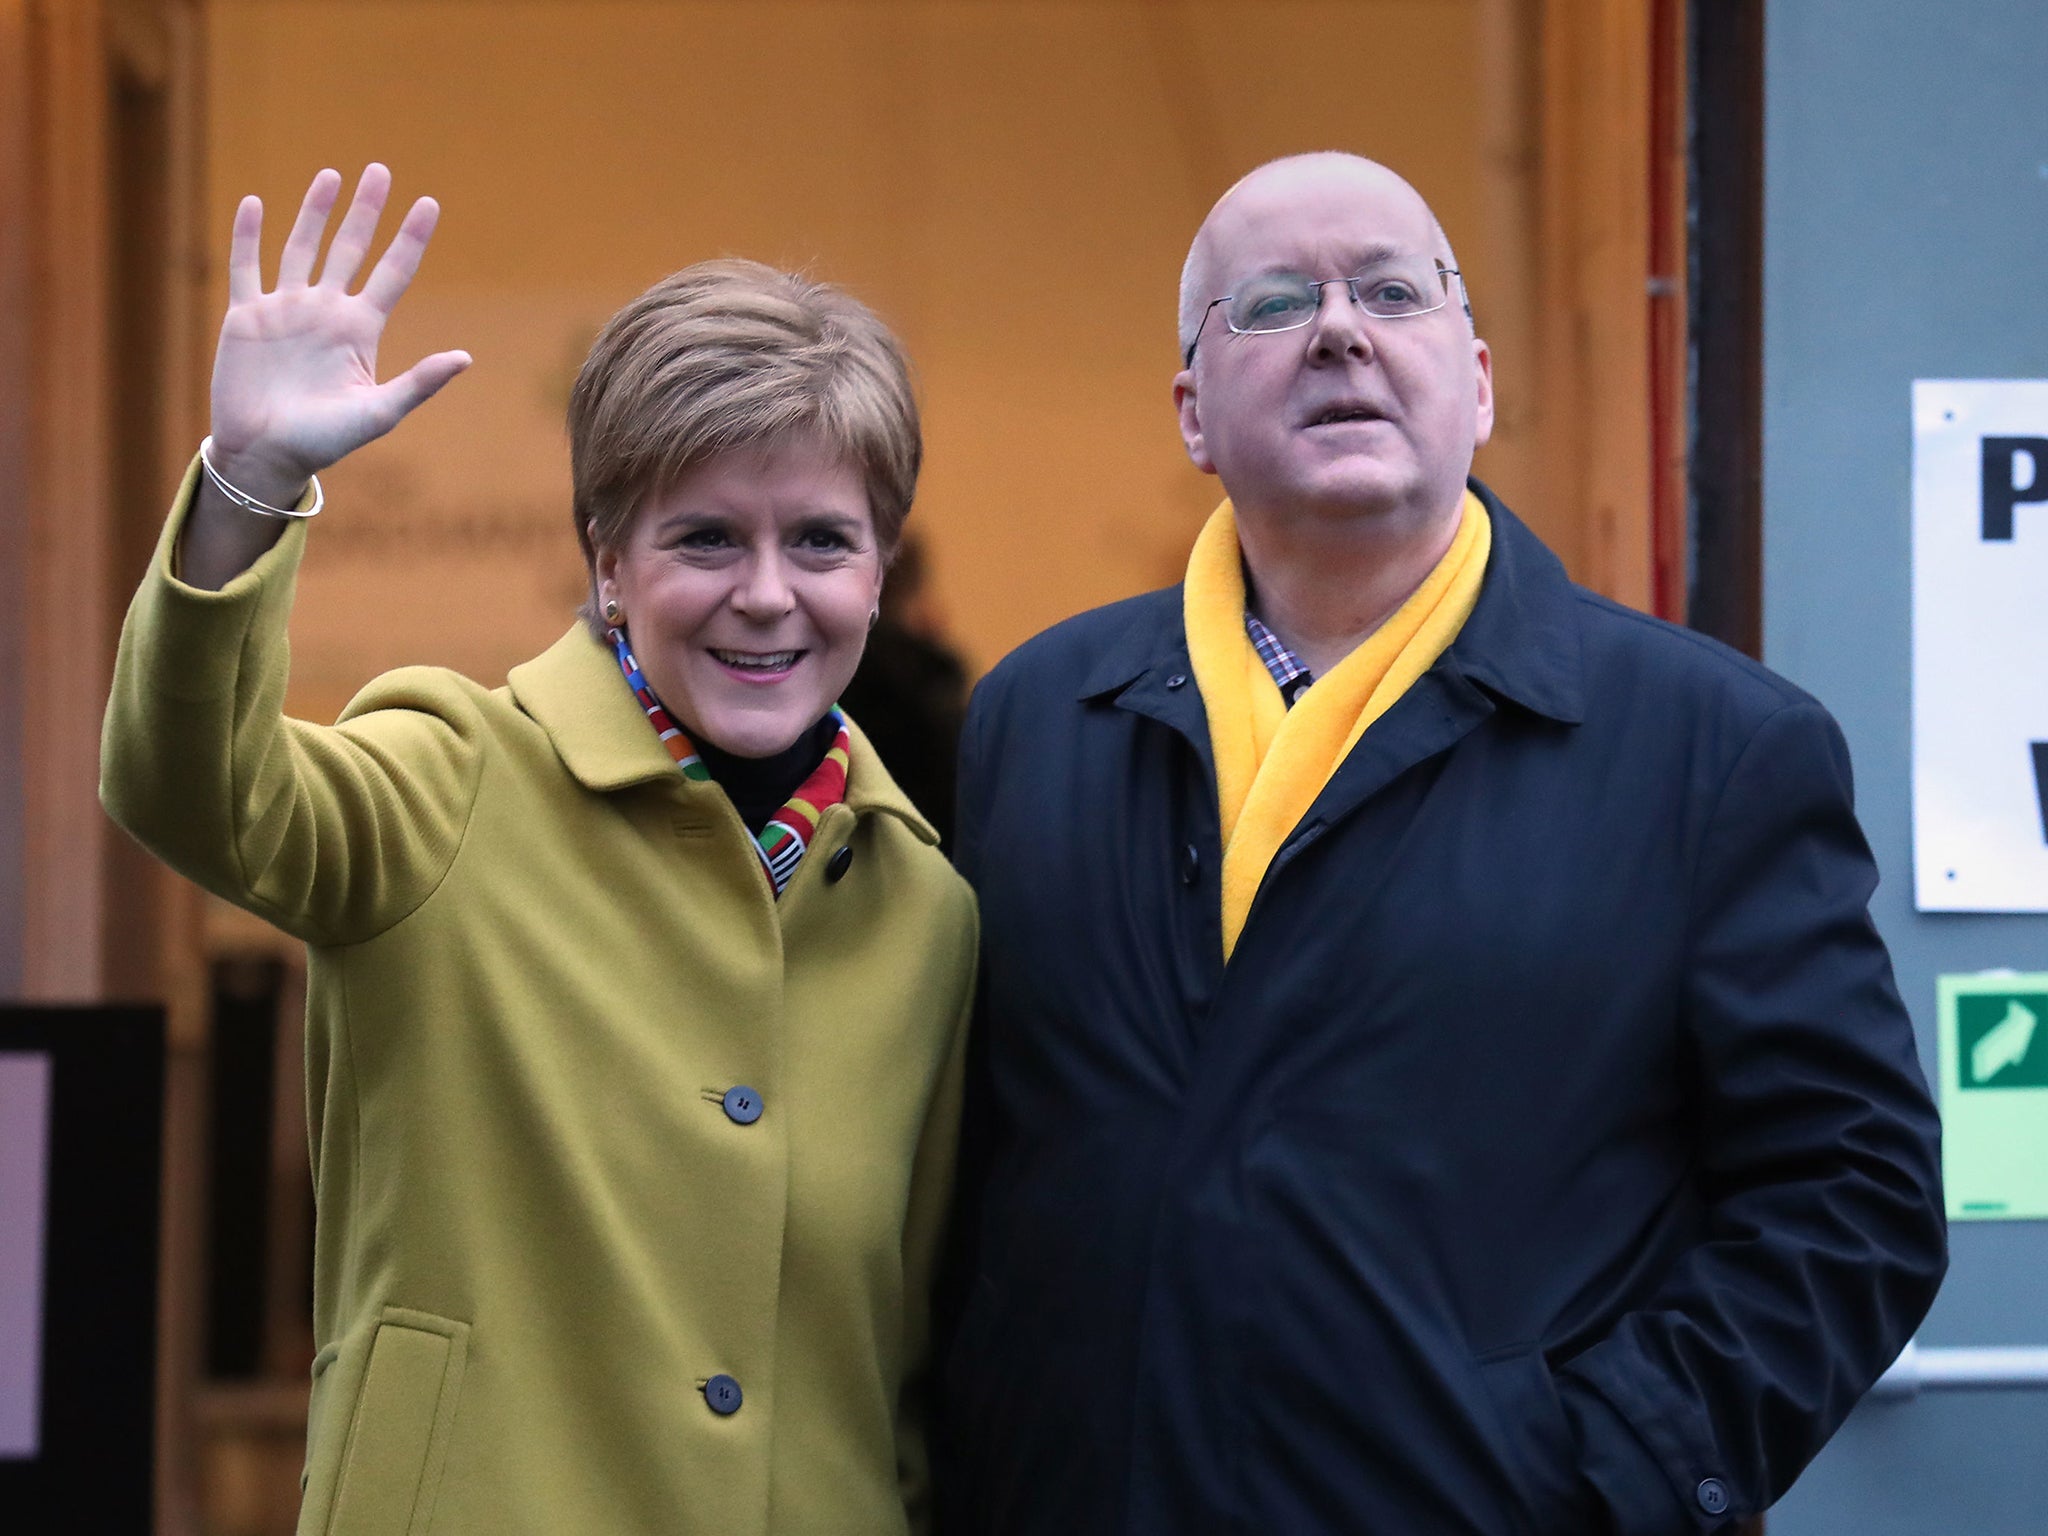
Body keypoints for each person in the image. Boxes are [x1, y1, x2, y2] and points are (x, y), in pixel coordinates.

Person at [938, 152, 1945, 1535]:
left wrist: (1603, 1473)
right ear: (1190, 410)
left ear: (1475, 380)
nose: (1341, 330)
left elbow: (1853, 1201)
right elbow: (972, 1170)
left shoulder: (1709, 748)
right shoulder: (1037, 720)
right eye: (1276, 302)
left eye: (1392, 292)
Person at [100, 164, 976, 1535]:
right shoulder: (451, 777)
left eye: (820, 540)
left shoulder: (924, 906)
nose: (766, 593)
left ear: (880, 573)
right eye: (703, 537)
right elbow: (190, 788)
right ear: (608, 564)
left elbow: (902, 1355)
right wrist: (249, 485)